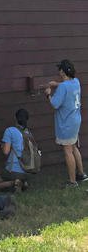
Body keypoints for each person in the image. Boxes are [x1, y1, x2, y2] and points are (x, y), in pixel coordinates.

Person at [45, 59, 88, 188]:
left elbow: (55, 104)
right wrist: (57, 84)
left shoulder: (63, 87)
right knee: (73, 147)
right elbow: (67, 86)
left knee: (68, 151)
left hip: (66, 123)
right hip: (75, 120)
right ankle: (81, 174)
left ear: (62, 72)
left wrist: (48, 95)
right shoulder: (76, 82)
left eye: (59, 70)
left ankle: (72, 181)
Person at [0, 109, 30, 192]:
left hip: (13, 169)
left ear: (15, 118)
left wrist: (2, 146)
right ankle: (23, 182)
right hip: (26, 170)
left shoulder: (10, 131)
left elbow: (6, 151)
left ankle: (14, 182)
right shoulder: (28, 133)